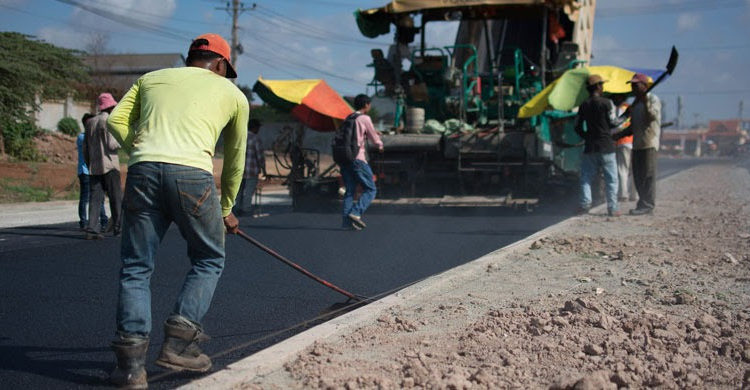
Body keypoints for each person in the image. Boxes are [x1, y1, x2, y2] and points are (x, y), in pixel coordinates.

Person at [105, 33, 249, 388]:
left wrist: (138, 149)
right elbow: (234, 162)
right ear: (220, 64)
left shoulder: (150, 79)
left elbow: (115, 122)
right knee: (209, 258)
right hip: (192, 177)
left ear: (191, 58)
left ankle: (130, 368)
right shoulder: (233, 95)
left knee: (136, 267)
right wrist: (226, 207)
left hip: (142, 172)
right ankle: (180, 341)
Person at [574, 75, 621, 217]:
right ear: (599, 86)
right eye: (602, 85)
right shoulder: (607, 103)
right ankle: (612, 208)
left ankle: (585, 204)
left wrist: (587, 136)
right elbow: (614, 123)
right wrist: (626, 116)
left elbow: (576, 126)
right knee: (611, 179)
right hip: (606, 146)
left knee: (586, 177)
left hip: (590, 147)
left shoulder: (584, 105)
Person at [614, 73, 661, 215]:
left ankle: (648, 205)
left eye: (636, 85)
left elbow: (651, 117)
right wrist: (618, 135)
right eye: (632, 85)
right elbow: (633, 126)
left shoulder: (652, 99)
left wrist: (645, 100)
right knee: (638, 175)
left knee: (648, 175)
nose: (633, 88)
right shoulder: (636, 103)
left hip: (649, 143)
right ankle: (642, 203)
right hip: (637, 144)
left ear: (644, 86)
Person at [83, 93, 122, 239]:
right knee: (116, 198)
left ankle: (92, 228)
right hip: (110, 166)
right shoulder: (109, 121)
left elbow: (85, 148)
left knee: (95, 199)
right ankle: (118, 227)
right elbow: (111, 144)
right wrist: (122, 141)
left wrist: (89, 163)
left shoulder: (90, 123)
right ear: (111, 106)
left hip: (95, 167)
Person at [341, 94, 383, 230]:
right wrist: (380, 145)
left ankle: (346, 224)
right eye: (369, 104)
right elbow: (374, 138)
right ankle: (356, 212)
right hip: (358, 159)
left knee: (349, 191)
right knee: (371, 189)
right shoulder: (365, 118)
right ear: (366, 105)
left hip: (345, 158)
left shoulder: (349, 118)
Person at [77, 113, 108, 231]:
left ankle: (103, 220)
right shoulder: (82, 137)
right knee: (85, 198)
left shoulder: (90, 136)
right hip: (85, 172)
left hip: (94, 170)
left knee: (98, 197)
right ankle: (84, 221)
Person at [233, 118, 265, 217]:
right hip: (252, 170)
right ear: (255, 128)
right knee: (249, 192)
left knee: (238, 191)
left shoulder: (240, 137)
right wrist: (264, 170)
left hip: (239, 169)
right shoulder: (256, 138)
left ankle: (237, 209)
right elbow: (260, 156)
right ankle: (246, 210)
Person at [610, 95, 636, 202]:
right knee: (633, 170)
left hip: (622, 142)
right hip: (633, 141)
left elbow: (619, 126)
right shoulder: (631, 107)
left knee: (622, 169)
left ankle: (623, 194)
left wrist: (612, 134)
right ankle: (635, 195)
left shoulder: (620, 109)